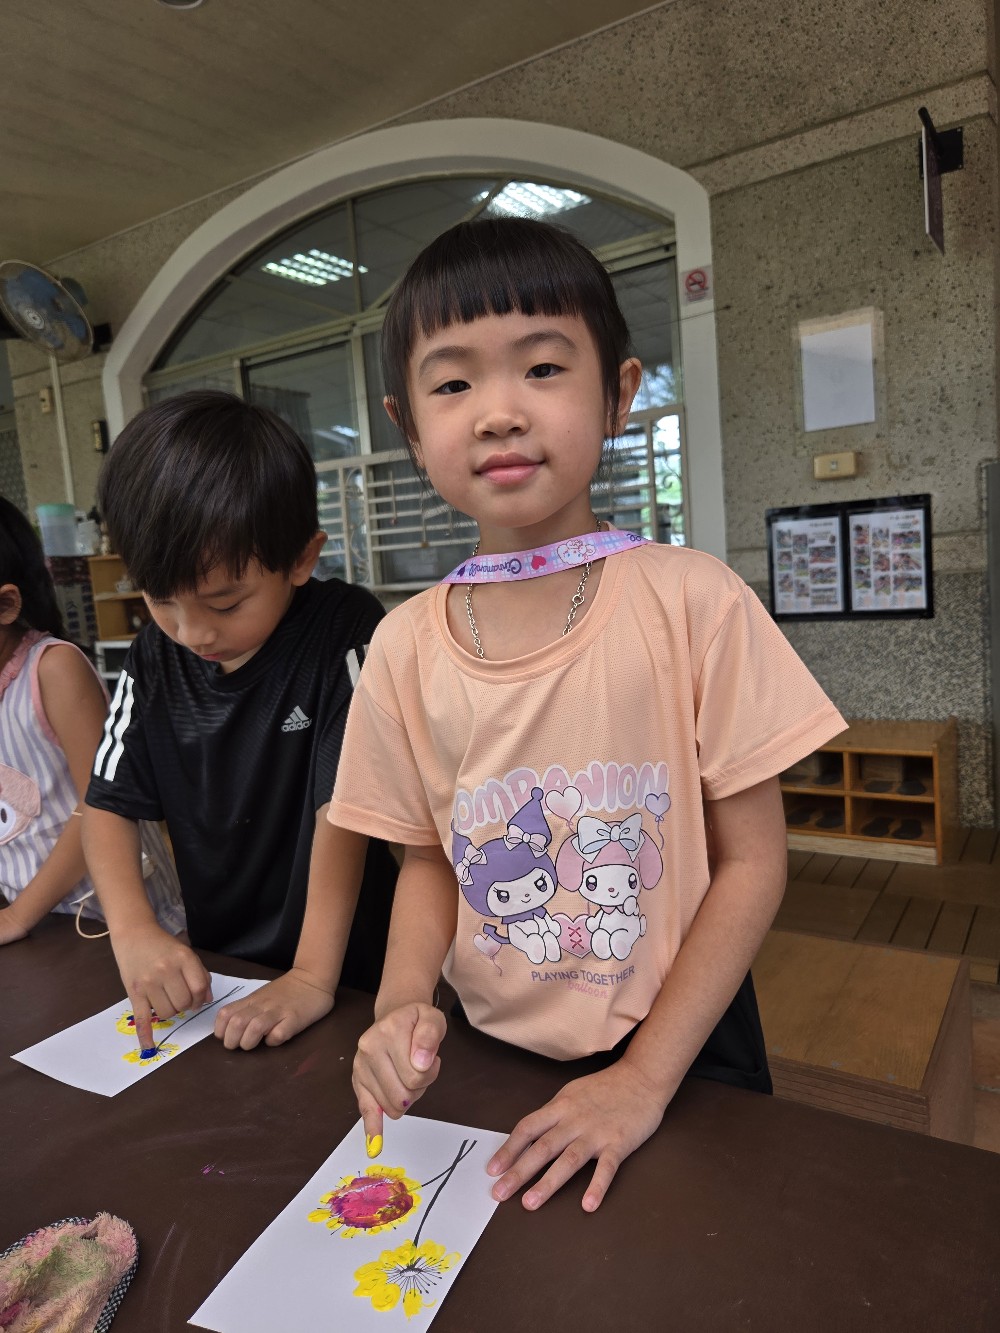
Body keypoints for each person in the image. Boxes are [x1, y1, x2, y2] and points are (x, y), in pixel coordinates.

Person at [333, 218, 845, 1209]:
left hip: (680, 1046)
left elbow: (752, 861)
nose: (498, 413)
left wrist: (644, 1078)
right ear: (407, 425)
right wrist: (399, 1007)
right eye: (453, 383)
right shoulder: (401, 645)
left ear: (618, 392)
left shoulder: (692, 599)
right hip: (483, 1045)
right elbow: (428, 859)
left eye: (542, 368)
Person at [83, 392, 397, 1056]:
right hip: (220, 973)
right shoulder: (154, 656)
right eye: (160, 599)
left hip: (346, 974)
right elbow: (108, 801)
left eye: (225, 603)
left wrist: (311, 975)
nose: (192, 631)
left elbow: (347, 804)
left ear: (302, 559)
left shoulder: (343, 629)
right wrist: (133, 931)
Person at [0, 496, 183, 944]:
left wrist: (19, 916)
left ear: (6, 605)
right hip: (39, 927)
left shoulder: (53, 670)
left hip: (113, 925)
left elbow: (100, 804)